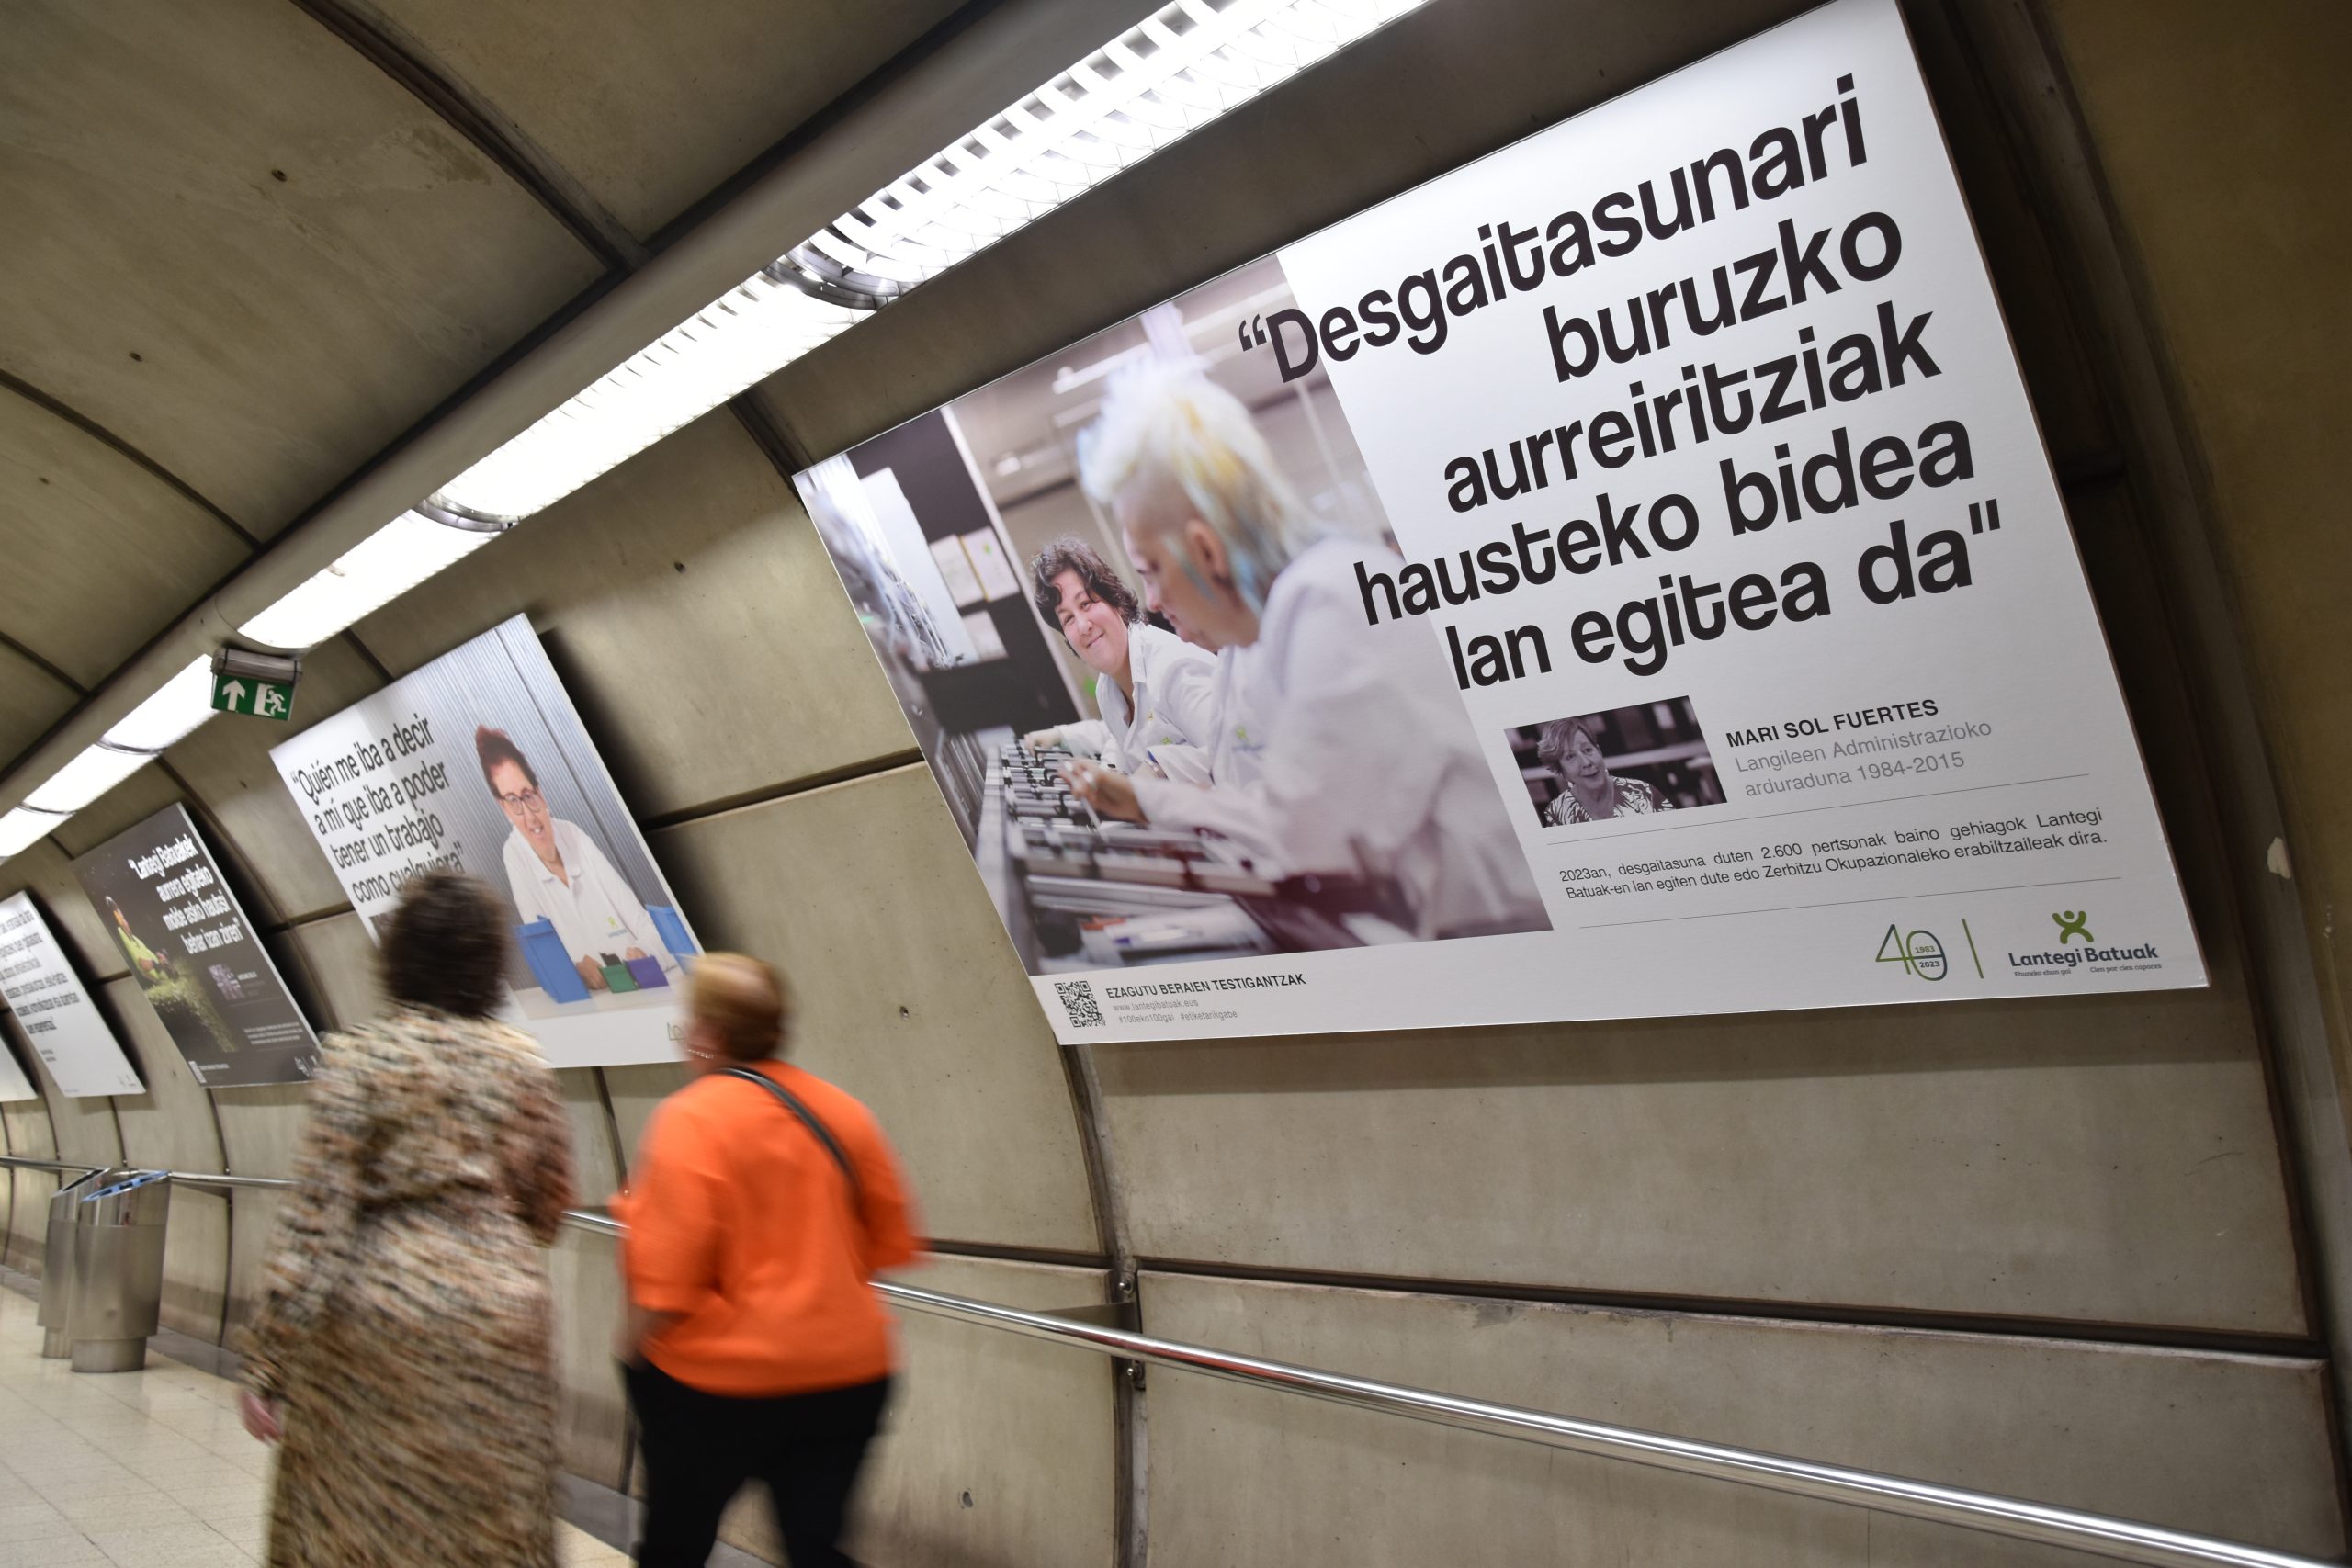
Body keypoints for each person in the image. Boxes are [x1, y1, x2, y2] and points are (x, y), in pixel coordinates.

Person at [1060, 363, 1547, 940]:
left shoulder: (1325, 600)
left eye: (1153, 569)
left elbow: (1303, 834)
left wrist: (1146, 800)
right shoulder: (1276, 623)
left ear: (1206, 551)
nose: (1155, 599)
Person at [237, 870, 577, 1568]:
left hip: (375, 1313)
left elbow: (315, 1218)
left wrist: (268, 1359)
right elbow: (548, 1207)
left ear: (398, 957)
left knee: (358, 1516)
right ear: (487, 962)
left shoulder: (360, 1058)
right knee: (491, 1517)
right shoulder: (523, 1064)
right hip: (500, 1311)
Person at [615, 953, 920, 1568]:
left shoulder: (690, 1119)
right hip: (848, 1376)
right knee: (814, 1545)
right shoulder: (843, 1111)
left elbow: (664, 1286)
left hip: (718, 1386)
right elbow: (888, 1243)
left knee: (676, 1544)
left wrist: (632, 1353)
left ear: (706, 1033)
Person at [478, 726, 680, 993]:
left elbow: (652, 930)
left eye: (528, 795)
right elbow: (552, 964)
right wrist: (576, 972)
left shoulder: (573, 835)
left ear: (541, 792)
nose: (529, 815)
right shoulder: (514, 854)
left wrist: (644, 952)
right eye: (513, 801)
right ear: (503, 808)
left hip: (648, 993)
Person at [1021, 536, 1220, 779]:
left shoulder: (1175, 666)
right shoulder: (1108, 688)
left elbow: (1232, 754)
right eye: (1068, 619)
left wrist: (1161, 767)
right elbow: (1123, 742)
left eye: (1085, 603)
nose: (1083, 626)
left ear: (1114, 599)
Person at [1539, 716, 1677, 825]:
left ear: (1598, 751)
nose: (1586, 763)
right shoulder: (1558, 813)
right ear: (1561, 770)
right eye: (1570, 757)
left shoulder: (1644, 793)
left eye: (1588, 750)